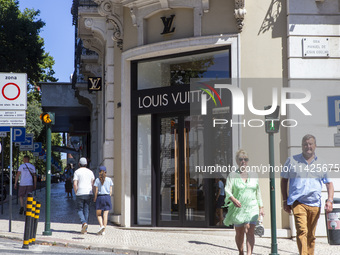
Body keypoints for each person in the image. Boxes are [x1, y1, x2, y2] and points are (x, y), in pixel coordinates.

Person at [281, 134, 334, 255]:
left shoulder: (321, 163)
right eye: (305, 144)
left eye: (310, 144)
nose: (308, 146)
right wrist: (285, 200)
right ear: (302, 146)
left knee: (311, 235)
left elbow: (329, 184)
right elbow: (284, 180)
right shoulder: (292, 161)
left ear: (315, 146)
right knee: (302, 231)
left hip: (315, 203)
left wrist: (330, 200)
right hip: (298, 202)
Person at [223, 149, 264, 255]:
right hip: (238, 208)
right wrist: (233, 199)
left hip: (252, 207)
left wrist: (261, 207)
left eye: (245, 159)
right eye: (241, 159)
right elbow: (227, 190)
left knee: (250, 231)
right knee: (240, 233)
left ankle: (249, 253)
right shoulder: (232, 175)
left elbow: (258, 191)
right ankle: (241, 252)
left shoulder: (254, 175)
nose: (243, 161)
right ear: (237, 161)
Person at [73, 157, 95, 234]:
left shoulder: (77, 172)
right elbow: (93, 184)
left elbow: (75, 184)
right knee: (86, 209)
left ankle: (83, 222)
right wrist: (93, 192)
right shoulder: (90, 172)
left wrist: (76, 192)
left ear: (79, 164)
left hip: (80, 192)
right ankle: (85, 229)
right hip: (88, 192)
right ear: (86, 164)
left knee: (79, 209)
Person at [93, 165, 113, 235]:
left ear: (99, 172)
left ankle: (101, 226)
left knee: (98, 214)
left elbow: (96, 191)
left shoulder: (97, 180)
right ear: (106, 172)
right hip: (107, 197)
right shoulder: (109, 180)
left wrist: (95, 198)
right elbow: (111, 191)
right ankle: (104, 230)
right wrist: (108, 196)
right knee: (105, 215)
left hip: (100, 197)